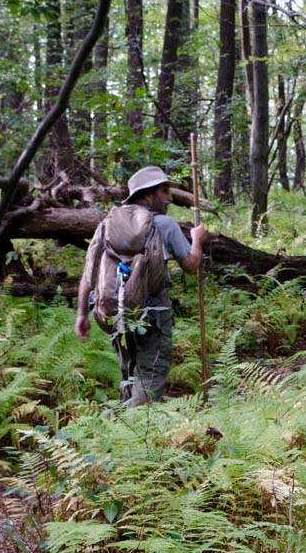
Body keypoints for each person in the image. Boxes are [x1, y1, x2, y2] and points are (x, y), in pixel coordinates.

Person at [75, 166, 207, 405]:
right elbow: (190, 264)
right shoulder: (164, 224)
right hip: (153, 314)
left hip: (114, 312)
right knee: (150, 373)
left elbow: (89, 273)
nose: (169, 198)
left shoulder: (107, 224)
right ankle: (137, 429)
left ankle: (122, 426)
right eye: (164, 191)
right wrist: (197, 241)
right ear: (148, 194)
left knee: (128, 372)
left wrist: (82, 314)